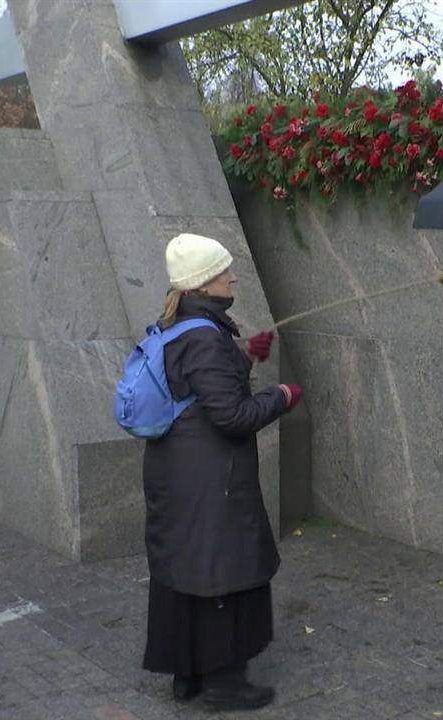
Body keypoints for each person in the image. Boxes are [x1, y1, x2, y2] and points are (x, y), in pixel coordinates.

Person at [141, 233, 304, 712]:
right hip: (210, 480)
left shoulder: (180, 326)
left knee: (184, 569)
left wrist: (246, 356)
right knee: (221, 572)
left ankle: (186, 674)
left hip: (178, 472)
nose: (233, 277)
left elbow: (200, 388)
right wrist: (282, 396)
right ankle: (225, 682)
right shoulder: (203, 338)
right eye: (223, 272)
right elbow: (231, 416)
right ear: (202, 284)